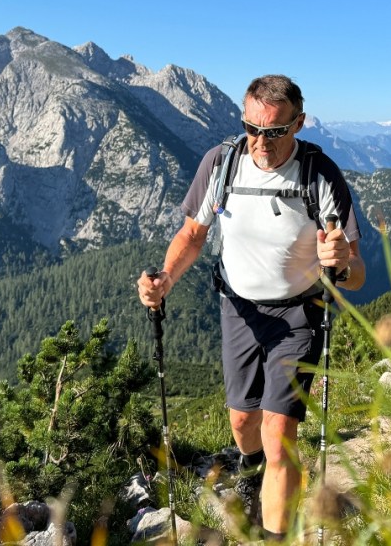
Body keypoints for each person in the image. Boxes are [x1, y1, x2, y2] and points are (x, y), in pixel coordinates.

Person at [137, 74, 365, 541]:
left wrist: (342, 262)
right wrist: (164, 281)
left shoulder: (321, 175)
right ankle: (250, 466)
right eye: (252, 127)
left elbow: (356, 274)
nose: (261, 141)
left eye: (276, 131)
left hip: (300, 314)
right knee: (243, 423)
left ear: (298, 124)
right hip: (238, 308)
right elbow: (192, 235)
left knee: (280, 437)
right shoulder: (222, 163)